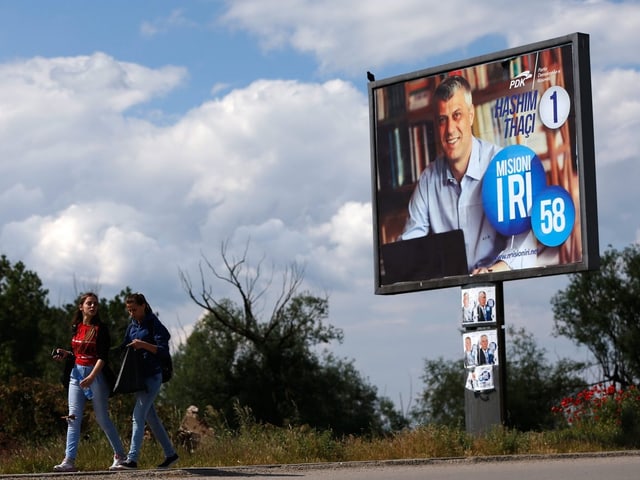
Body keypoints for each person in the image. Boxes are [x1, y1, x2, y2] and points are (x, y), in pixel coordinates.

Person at [401, 75, 517, 274]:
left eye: (457, 116)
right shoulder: (428, 180)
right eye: (442, 120)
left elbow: (522, 240)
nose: (449, 130)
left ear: (471, 115)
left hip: (503, 281)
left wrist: (495, 270)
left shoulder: (501, 164)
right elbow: (410, 245)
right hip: (448, 288)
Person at [52, 292, 126, 472]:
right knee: (73, 417)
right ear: (81, 307)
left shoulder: (101, 329)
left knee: (102, 418)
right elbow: (76, 352)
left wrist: (92, 376)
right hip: (76, 375)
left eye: (95, 304)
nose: (93, 306)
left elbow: (103, 357)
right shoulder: (76, 327)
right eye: (89, 303)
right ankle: (69, 460)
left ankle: (120, 456)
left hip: (95, 375)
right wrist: (65, 354)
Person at [113, 292, 179, 470]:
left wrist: (142, 345)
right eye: (129, 310)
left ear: (143, 306)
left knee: (137, 415)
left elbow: (163, 351)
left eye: (134, 309)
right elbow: (123, 346)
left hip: (153, 376)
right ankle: (171, 454)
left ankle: (132, 459)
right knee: (152, 418)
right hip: (139, 378)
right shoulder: (132, 325)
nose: (131, 313)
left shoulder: (154, 324)